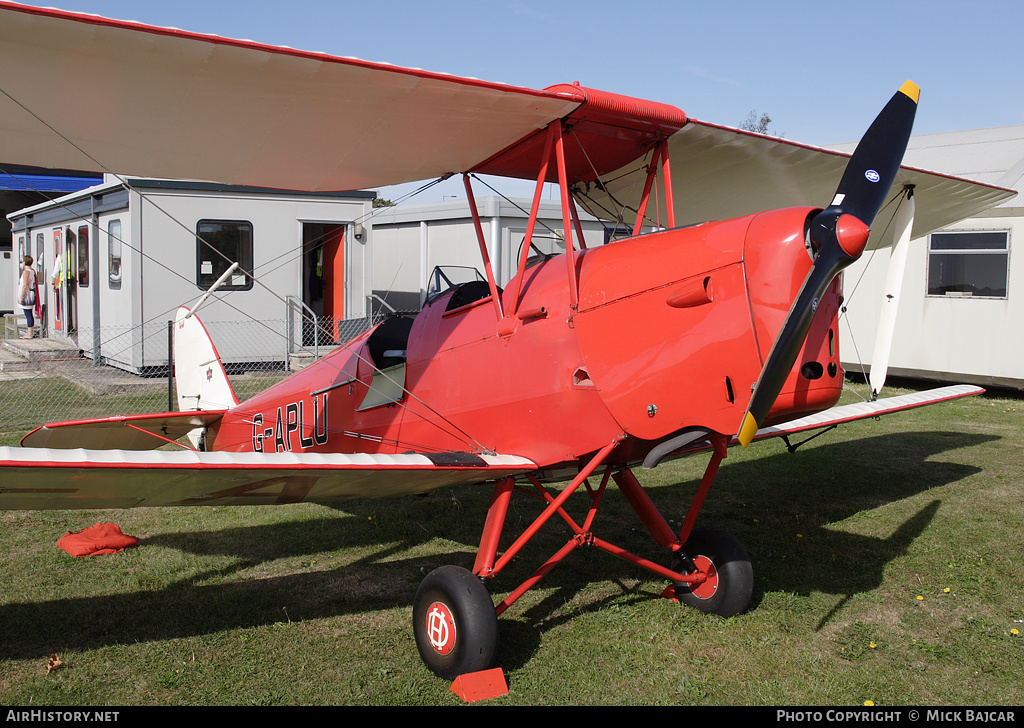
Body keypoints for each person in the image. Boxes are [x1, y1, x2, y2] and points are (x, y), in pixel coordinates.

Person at [18, 255, 40, 339]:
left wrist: (21, 297)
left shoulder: (26, 271)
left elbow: (25, 285)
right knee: (29, 314)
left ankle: (29, 333)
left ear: (24, 262)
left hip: (27, 296)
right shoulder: (32, 271)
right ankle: (29, 332)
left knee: (28, 314)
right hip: (30, 294)